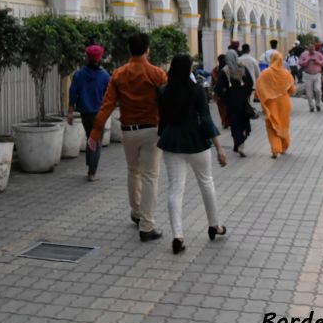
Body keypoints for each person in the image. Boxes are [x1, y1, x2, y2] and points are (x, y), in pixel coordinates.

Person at [88, 33, 168, 242]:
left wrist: (96, 132)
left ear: (130, 50)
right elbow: (168, 100)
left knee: (133, 171)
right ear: (147, 49)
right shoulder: (157, 73)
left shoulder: (119, 74)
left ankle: (136, 213)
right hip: (152, 130)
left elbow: (107, 105)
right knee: (150, 176)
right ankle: (147, 226)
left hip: (128, 130)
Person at [157, 54, 227, 255]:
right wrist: (219, 148)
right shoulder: (197, 90)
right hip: (196, 141)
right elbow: (205, 119)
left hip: (171, 142)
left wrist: (163, 137)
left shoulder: (163, 91)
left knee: (175, 189)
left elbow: (162, 121)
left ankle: (177, 235)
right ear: (189, 70)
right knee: (206, 183)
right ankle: (215, 225)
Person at [67, 44, 111, 181]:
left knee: (89, 138)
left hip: (85, 113)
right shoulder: (104, 76)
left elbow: (73, 92)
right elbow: (109, 95)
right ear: (99, 58)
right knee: (96, 141)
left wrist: (70, 110)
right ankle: (92, 172)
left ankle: (89, 165)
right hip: (99, 113)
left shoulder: (79, 74)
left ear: (87, 57)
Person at [255, 52, 298, 159]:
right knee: (283, 124)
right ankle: (284, 147)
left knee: (272, 125)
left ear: (272, 59)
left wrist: (268, 93)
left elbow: (258, 88)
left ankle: (275, 149)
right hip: (284, 102)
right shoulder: (286, 74)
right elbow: (292, 90)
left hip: (270, 103)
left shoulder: (265, 73)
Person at [217, 65, 253, 156]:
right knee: (243, 122)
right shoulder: (243, 68)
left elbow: (218, 87)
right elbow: (250, 83)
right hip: (243, 101)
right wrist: (246, 94)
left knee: (234, 123)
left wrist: (225, 98)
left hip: (231, 101)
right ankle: (241, 144)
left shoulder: (225, 70)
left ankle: (237, 143)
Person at [298, 44, 323, 112]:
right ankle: (311, 106)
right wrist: (307, 61)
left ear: (314, 49)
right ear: (308, 49)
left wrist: (318, 62)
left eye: (312, 49)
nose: (311, 50)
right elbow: (300, 63)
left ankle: (318, 104)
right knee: (309, 92)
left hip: (317, 74)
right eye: (310, 49)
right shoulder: (304, 54)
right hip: (307, 75)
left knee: (318, 90)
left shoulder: (318, 54)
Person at [210, 54, 230, 129]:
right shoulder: (228, 69)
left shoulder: (215, 69)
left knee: (221, 108)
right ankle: (227, 121)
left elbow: (213, 82)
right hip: (227, 92)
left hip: (218, 92)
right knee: (227, 107)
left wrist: (212, 91)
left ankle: (224, 121)